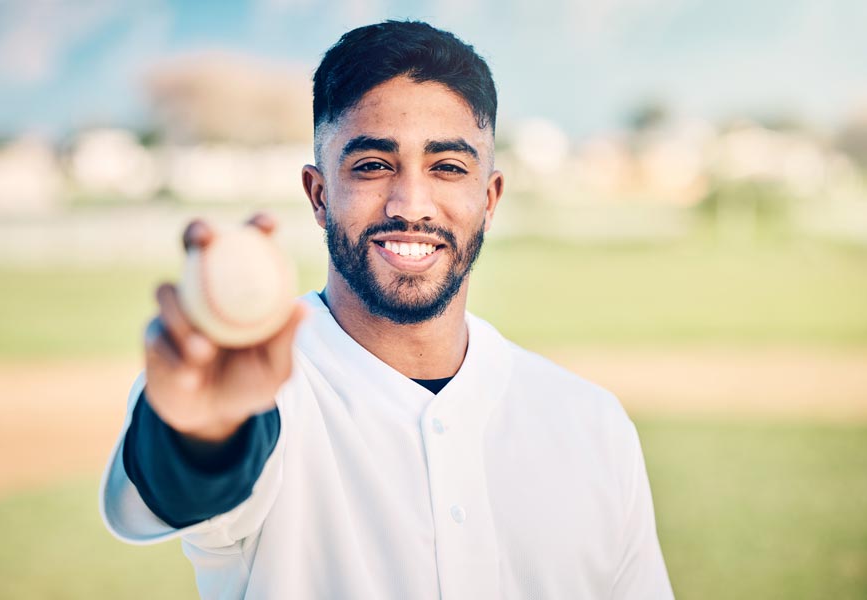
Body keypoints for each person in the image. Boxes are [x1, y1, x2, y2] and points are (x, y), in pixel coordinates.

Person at [100, 20, 674, 599]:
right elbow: (193, 481)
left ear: (490, 198)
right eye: (373, 165)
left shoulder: (592, 425)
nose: (411, 205)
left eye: (448, 167)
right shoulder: (254, 393)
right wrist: (202, 433)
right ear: (319, 195)